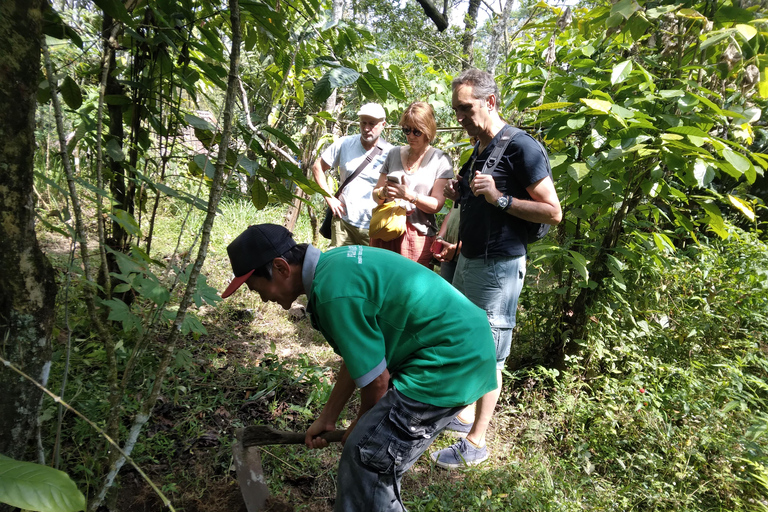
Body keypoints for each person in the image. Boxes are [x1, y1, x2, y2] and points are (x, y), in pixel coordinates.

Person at [221, 224, 498, 512]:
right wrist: (328, 417)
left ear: (280, 268)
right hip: (460, 347)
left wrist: (360, 427)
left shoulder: (334, 293)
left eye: (257, 289)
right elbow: (360, 360)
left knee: (366, 459)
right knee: (371, 456)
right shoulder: (333, 268)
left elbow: (377, 382)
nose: (262, 298)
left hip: (449, 361)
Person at [429, 68, 562, 469]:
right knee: (468, 338)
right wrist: (461, 191)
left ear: (490, 102)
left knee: (490, 350)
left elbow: (553, 212)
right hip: (470, 258)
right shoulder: (480, 149)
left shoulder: (523, 147)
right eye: (456, 110)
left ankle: (477, 442)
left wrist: (501, 200)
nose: (460, 117)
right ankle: (464, 413)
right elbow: (476, 199)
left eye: (466, 109)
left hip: (500, 265)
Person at [370, 102, 453, 267]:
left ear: (428, 130)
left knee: (410, 288)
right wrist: (384, 193)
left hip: (417, 235)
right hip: (386, 229)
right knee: (382, 284)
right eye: (407, 130)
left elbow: (437, 204)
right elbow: (375, 194)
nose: (411, 136)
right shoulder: (394, 154)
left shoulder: (440, 159)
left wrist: (410, 196)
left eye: (417, 131)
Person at [312, 103, 392, 247]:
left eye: (372, 124)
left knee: (368, 267)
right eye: (363, 123)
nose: (366, 128)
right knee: (341, 264)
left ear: (383, 124)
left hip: (373, 225)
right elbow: (317, 167)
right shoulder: (345, 144)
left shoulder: (391, 153)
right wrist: (330, 199)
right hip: (344, 221)